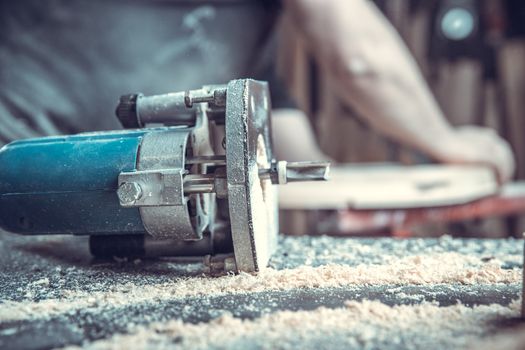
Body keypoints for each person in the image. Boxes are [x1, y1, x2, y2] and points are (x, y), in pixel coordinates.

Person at [0, 0, 514, 182]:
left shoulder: (247, 20)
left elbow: (275, 119)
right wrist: (445, 140)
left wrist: (325, 186)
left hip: (112, 187)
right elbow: (359, 59)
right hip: (20, 156)